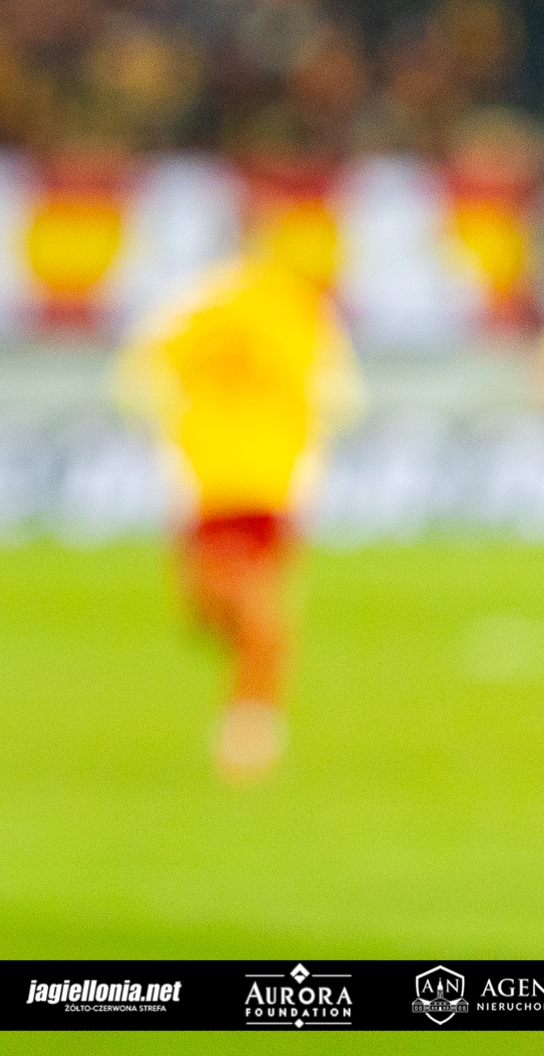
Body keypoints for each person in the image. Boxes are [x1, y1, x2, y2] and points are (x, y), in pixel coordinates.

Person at [116, 242, 361, 784]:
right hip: (236, 477)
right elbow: (340, 394)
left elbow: (137, 379)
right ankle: (254, 700)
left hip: (246, 478)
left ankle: (250, 726)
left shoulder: (202, 304)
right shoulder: (271, 306)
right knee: (208, 608)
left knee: (247, 601)